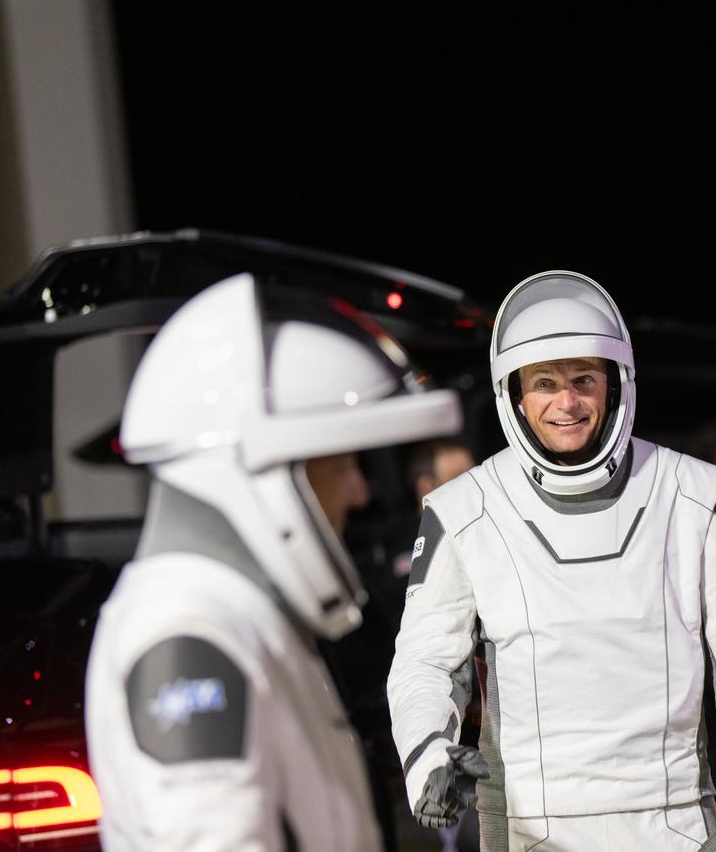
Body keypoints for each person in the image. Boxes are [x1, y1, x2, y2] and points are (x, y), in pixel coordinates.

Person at [387, 270, 716, 852]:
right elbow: (425, 663)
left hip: (675, 824)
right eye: (545, 383)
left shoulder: (697, 495)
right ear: (515, 395)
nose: (567, 401)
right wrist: (427, 757)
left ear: (615, 383)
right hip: (531, 830)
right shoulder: (464, 510)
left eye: (583, 379)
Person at [84, 275, 463, 851]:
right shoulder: (187, 635)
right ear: (263, 475)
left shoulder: (232, 615)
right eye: (341, 464)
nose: (359, 491)